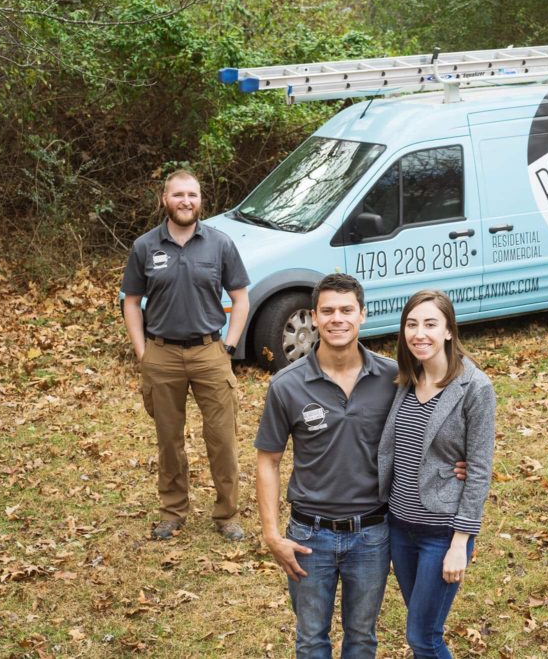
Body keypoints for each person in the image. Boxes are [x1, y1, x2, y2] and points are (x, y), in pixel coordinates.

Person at [254, 274, 467, 658]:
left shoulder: (394, 377)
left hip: (372, 533)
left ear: (363, 315)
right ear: (314, 318)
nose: (338, 319)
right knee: (311, 640)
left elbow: (434, 416)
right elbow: (268, 460)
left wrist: (453, 462)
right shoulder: (286, 386)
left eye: (347, 310)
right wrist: (272, 534)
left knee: (362, 639)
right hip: (308, 535)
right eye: (328, 311)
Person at [121, 169, 249, 542]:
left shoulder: (220, 244)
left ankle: (227, 514)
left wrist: (229, 346)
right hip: (161, 354)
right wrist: (143, 352)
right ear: (165, 200)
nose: (186, 201)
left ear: (200, 200)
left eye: (192, 195)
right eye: (178, 194)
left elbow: (240, 297)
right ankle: (173, 511)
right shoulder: (145, 247)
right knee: (169, 439)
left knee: (222, 437)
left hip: (210, 352)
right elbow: (131, 302)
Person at [377, 290, 496, 659]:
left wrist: (460, 542)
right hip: (400, 527)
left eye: (430, 324)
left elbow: (478, 470)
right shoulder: (407, 380)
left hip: (441, 533)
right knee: (421, 624)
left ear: (449, 331)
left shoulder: (475, 388)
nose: (419, 333)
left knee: (423, 637)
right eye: (411, 325)